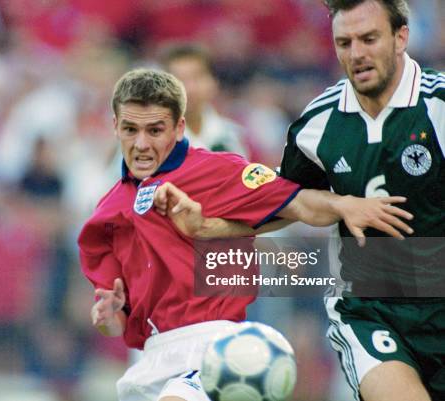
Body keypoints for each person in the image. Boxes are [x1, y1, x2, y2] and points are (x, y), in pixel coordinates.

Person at [160, 1, 444, 400]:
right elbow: (284, 201)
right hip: (370, 310)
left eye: (369, 39)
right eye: (344, 42)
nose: (356, 53)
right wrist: (206, 225)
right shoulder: (319, 123)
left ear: (401, 37)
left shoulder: (438, 107)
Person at [77, 68, 414, 401]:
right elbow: (115, 320)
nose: (141, 144)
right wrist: (108, 316)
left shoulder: (214, 170)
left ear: (179, 128)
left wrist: (345, 206)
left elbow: (296, 203)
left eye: (155, 130)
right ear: (115, 127)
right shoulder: (106, 212)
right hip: (149, 361)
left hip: (213, 351)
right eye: (131, 129)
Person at [162, 44, 249, 156]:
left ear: (213, 83)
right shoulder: (155, 142)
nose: (189, 89)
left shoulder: (235, 137)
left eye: (197, 77)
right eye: (179, 79)